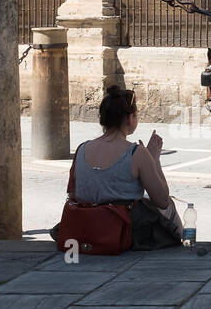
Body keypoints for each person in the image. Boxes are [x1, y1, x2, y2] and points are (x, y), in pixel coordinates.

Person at [71, 85, 183, 244]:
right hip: (122, 231)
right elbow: (162, 201)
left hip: (86, 226)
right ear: (130, 118)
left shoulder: (81, 149)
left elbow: (74, 194)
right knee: (169, 206)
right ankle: (184, 245)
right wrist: (154, 160)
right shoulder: (136, 153)